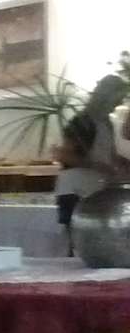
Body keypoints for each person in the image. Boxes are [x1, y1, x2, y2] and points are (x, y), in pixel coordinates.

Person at [55, 73, 125, 232]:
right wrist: (98, 166)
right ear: (107, 96)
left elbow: (109, 154)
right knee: (77, 237)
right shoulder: (82, 121)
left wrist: (122, 163)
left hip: (95, 188)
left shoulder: (106, 122)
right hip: (74, 190)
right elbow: (64, 156)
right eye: (118, 98)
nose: (120, 103)